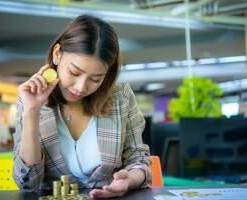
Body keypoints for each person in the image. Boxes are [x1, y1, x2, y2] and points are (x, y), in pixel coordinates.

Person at [12, 15, 152, 198]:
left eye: (96, 79)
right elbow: (27, 184)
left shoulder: (121, 97)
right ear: (57, 54)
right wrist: (32, 112)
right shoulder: (29, 99)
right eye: (74, 72)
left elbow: (139, 160)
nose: (80, 88)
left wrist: (128, 180)